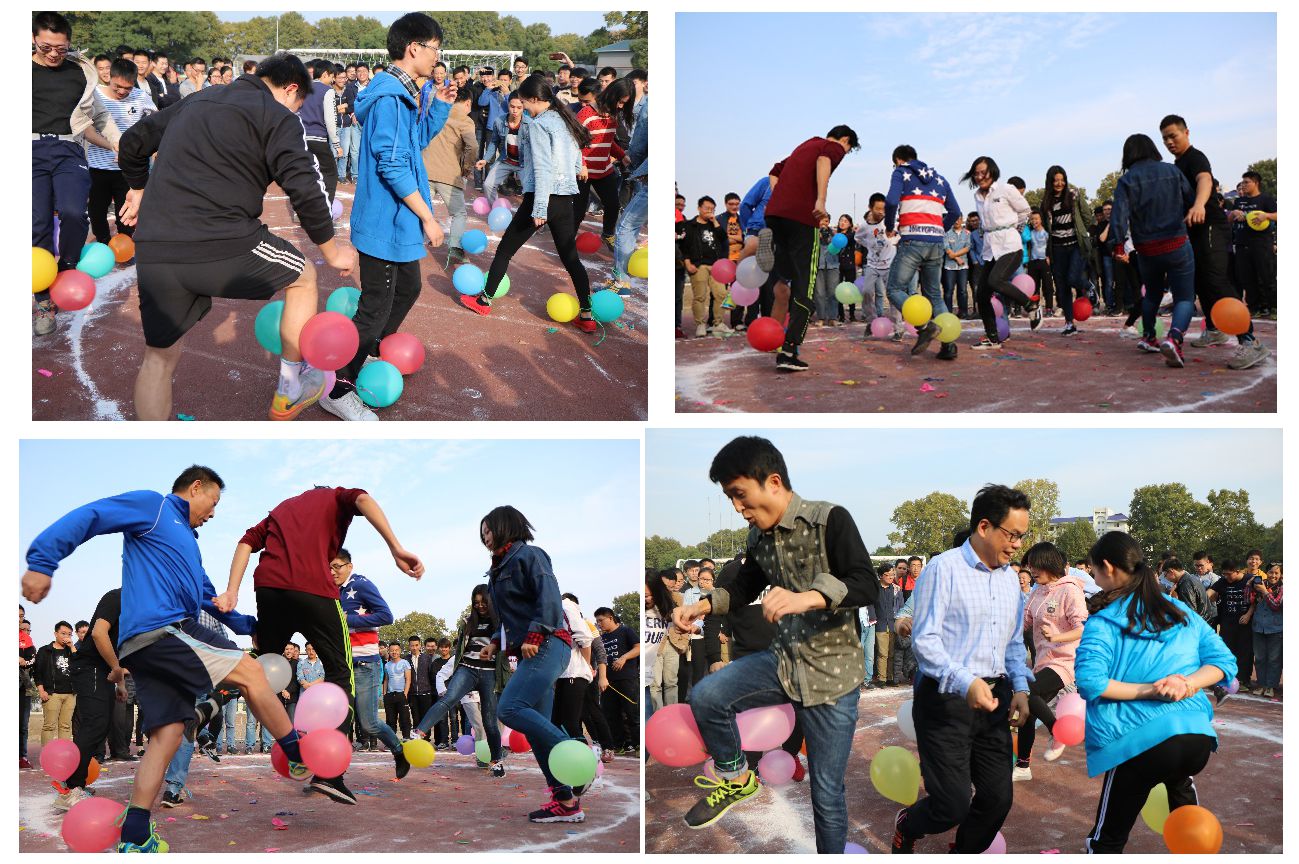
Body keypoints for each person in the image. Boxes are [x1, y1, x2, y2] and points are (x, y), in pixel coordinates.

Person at [22, 465, 302, 853]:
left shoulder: (188, 543)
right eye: (213, 502)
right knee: (251, 672)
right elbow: (94, 514)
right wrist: (43, 561)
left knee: (167, 734)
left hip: (144, 647)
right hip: (164, 629)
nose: (213, 513)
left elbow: (208, 597)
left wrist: (247, 624)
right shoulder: (154, 507)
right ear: (196, 487)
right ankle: (300, 755)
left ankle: (136, 833)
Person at [116, 52, 355, 421]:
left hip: (156, 245)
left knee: (159, 358)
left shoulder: (198, 99)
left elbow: (132, 142)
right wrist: (333, 251)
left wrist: (138, 188)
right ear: (290, 89)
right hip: (223, 242)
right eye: (297, 105)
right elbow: (305, 188)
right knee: (304, 276)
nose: (295, 112)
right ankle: (290, 389)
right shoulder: (277, 116)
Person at [673, 436, 876, 852]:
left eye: (740, 494)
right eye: (730, 498)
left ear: (773, 482)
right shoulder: (758, 538)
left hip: (833, 679)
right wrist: (702, 607)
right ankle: (736, 778)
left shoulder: (829, 520)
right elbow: (743, 587)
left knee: (826, 794)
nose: (737, 507)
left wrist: (809, 597)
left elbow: (865, 583)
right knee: (707, 695)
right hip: (782, 662)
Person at [215, 484, 424, 803]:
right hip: (313, 591)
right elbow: (363, 499)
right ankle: (330, 774)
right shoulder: (336, 496)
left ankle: (209, 706)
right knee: (341, 675)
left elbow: (245, 542)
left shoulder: (282, 508)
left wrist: (232, 591)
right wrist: (396, 548)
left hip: (269, 590)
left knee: (257, 672)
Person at [320, 14, 455, 422]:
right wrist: (428, 218)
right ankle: (339, 385)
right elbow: (392, 164)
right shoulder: (391, 97)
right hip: (385, 221)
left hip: (396, 221)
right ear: (414, 48)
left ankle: (367, 352)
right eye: (435, 49)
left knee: (408, 288)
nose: (437, 58)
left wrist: (440, 106)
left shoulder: (403, 94)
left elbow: (414, 143)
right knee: (375, 307)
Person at [893, 485, 1033, 854]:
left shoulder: (1009, 579)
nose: (1018, 545)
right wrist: (965, 681)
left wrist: (1021, 688)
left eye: (1022, 536)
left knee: (997, 799)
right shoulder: (944, 569)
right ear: (984, 527)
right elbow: (925, 641)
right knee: (951, 805)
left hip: (994, 699)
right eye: (1012, 534)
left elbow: (1013, 642)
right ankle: (908, 824)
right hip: (945, 700)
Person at [1075, 531, 1237, 853]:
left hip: (1139, 741)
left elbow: (1091, 682)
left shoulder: (1104, 621)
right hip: (1194, 739)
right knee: (1187, 812)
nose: (1093, 577)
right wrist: (1188, 684)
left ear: (1108, 567)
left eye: (1093, 570)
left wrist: (1154, 690)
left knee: (1107, 839)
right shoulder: (1180, 612)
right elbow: (1224, 662)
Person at [476, 506, 589, 823]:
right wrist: (495, 643)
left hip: (548, 644)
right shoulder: (496, 571)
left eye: (489, 530)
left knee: (509, 709)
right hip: (531, 649)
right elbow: (508, 617)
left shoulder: (530, 555)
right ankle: (565, 801)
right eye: (482, 534)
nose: (485, 537)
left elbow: (549, 598)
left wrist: (535, 635)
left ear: (506, 526)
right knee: (537, 732)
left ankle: (581, 757)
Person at [460, 75, 597, 332]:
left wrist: (540, 207)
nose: (522, 107)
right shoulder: (565, 120)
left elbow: (544, 168)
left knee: (505, 250)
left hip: (543, 196)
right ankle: (587, 315)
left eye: (523, 102)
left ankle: (484, 300)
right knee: (571, 259)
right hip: (565, 198)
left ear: (534, 99)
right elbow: (576, 156)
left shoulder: (538, 124)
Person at [32, 12, 121, 337]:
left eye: (61, 47)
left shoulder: (80, 73)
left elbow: (99, 115)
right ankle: (44, 300)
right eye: (46, 47)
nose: (54, 53)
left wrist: (117, 142)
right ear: (33, 39)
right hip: (29, 150)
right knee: (38, 223)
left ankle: (66, 268)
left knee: (73, 212)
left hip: (69, 149)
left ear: (69, 43)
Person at [1158, 117, 1269, 369]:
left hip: (1211, 227)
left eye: (1173, 135)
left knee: (1216, 280)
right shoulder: (1177, 165)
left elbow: (1205, 180)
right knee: (1199, 282)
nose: (1169, 142)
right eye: (1165, 138)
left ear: (1186, 132)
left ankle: (1251, 342)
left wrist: (1199, 205)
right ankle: (1215, 329)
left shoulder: (1195, 157)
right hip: (1193, 231)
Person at [763, 126, 860, 371]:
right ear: (845, 140)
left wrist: (781, 198)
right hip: (802, 220)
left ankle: (778, 266)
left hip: (775, 214)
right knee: (805, 287)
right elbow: (824, 160)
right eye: (848, 148)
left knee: (787, 276)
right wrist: (820, 200)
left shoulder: (805, 145)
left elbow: (774, 172)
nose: (844, 152)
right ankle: (789, 351)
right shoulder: (833, 147)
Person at [1107, 133, 1197, 368]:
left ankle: (1149, 336)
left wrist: (1117, 245)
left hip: (1146, 248)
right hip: (1176, 242)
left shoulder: (1126, 180)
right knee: (1184, 297)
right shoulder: (1171, 170)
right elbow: (1191, 200)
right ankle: (1175, 338)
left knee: (1152, 294)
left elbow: (1119, 216)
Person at [411, 585, 508, 775]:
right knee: (449, 698)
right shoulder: (467, 622)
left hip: (489, 673)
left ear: (491, 601)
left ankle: (496, 761)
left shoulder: (501, 622)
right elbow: (462, 648)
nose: (480, 606)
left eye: (484, 602)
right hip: (468, 669)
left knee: (490, 722)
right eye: (476, 603)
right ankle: (419, 732)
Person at [1013, 543, 1088, 781]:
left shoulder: (1070, 590)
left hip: (1065, 661)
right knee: (1027, 710)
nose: (1031, 571)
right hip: (1043, 661)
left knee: (1027, 691)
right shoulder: (1038, 591)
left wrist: (1056, 637)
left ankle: (1057, 730)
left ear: (1049, 563)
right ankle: (1023, 767)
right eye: (1029, 566)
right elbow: (1023, 622)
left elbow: (1081, 628)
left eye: (1035, 566)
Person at [885, 145, 964, 362]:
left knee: (894, 289)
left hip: (912, 239)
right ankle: (949, 345)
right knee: (935, 295)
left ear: (899, 160)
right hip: (936, 242)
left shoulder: (901, 172)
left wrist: (890, 226)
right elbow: (955, 212)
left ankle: (925, 325)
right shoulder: (940, 179)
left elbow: (891, 201)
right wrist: (939, 230)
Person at [58, 588, 130, 811]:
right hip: (91, 667)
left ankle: (74, 784)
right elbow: (99, 634)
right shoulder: (118, 597)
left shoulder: (139, 607)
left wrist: (120, 683)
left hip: (104, 670)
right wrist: (117, 669)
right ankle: (71, 789)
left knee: (102, 725)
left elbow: (120, 647)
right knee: (95, 723)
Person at [963, 156, 1040, 350]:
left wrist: (1015, 229)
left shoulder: (1006, 189)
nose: (980, 176)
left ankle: (1031, 305)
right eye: (976, 173)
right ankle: (992, 338)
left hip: (1010, 246)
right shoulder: (977, 196)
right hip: (990, 249)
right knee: (982, 294)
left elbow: (1025, 210)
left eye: (983, 172)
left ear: (993, 172)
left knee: (995, 280)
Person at [86, 58, 152, 247]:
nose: (122, 91)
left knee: (127, 213)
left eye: (128, 88)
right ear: (109, 77)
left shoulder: (141, 97)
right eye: (117, 87)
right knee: (97, 212)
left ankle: (126, 247)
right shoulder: (94, 95)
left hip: (129, 171)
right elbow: (88, 132)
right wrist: (114, 146)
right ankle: (102, 245)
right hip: (98, 167)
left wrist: (141, 151)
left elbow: (154, 126)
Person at [422, 85, 478, 268]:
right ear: (468, 103)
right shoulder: (465, 120)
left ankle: (412, 242)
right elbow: (473, 147)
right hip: (449, 174)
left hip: (426, 169)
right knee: (459, 213)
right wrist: (466, 168)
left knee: (422, 210)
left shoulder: (438, 111)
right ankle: (455, 247)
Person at [575, 78, 631, 249]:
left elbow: (606, 140)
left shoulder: (613, 115)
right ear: (611, 95)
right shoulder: (585, 114)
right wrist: (582, 164)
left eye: (624, 103)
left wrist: (622, 155)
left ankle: (608, 235)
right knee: (578, 211)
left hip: (604, 170)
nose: (620, 106)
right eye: (620, 102)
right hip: (583, 172)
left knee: (613, 205)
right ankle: (567, 240)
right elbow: (572, 142)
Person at [1039, 165, 1094, 335]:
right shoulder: (1046, 202)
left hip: (1076, 245)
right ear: (1050, 182)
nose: (1059, 183)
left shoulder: (1073, 194)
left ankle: (1088, 286)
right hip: (1057, 249)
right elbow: (1046, 228)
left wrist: (1084, 235)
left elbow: (1087, 217)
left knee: (1072, 278)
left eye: (1062, 180)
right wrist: (1047, 252)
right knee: (1062, 287)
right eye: (1056, 180)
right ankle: (1069, 323)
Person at [1227, 171, 1277, 319]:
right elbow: (1229, 221)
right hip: (1242, 245)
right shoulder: (1239, 201)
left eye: (1246, 182)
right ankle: (1254, 308)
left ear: (1256, 183)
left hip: (1261, 244)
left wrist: (1266, 215)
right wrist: (1233, 214)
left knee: (1267, 277)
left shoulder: (1266, 199)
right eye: (1242, 182)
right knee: (1247, 278)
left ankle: (1274, 307)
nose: (1243, 185)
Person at [682, 196, 731, 336]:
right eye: (707, 208)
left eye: (712, 209)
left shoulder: (714, 225)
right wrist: (687, 263)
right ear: (699, 208)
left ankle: (718, 323)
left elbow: (723, 238)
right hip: (698, 265)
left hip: (716, 265)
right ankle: (700, 325)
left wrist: (714, 221)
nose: (709, 211)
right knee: (700, 297)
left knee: (721, 294)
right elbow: (684, 247)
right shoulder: (690, 225)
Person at [554, 593, 595, 751]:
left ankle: (587, 760)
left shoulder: (565, 606)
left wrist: (586, 664)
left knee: (570, 723)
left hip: (574, 673)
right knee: (556, 722)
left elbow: (585, 638)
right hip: (561, 675)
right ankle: (566, 758)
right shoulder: (544, 608)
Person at [596, 607, 639, 753]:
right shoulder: (601, 638)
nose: (599, 624)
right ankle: (619, 745)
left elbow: (638, 648)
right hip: (608, 682)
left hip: (626, 679)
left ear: (610, 618)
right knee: (611, 714)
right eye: (597, 621)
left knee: (632, 713)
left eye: (601, 620)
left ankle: (638, 745)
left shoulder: (626, 631)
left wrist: (623, 657)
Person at [477, 91, 530, 204]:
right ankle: (495, 208)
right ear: (508, 104)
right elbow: (494, 142)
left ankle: (528, 213)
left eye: (519, 107)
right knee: (488, 185)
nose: (515, 110)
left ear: (523, 107)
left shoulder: (530, 124)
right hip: (505, 161)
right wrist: (485, 159)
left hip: (524, 164)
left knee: (531, 191)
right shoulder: (499, 121)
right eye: (512, 106)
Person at [854, 193, 895, 327]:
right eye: (878, 209)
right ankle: (872, 321)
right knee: (866, 292)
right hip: (872, 264)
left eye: (884, 209)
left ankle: (898, 326)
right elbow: (857, 238)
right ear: (870, 208)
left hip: (889, 264)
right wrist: (868, 244)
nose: (881, 212)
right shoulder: (864, 227)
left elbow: (898, 234)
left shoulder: (889, 221)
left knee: (892, 295)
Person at [34, 621, 77, 744]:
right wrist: (41, 691)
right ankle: (47, 754)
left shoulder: (72, 651)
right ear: (55, 634)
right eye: (63, 633)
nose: (66, 636)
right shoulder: (45, 651)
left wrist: (72, 647)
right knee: (49, 726)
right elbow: (37, 672)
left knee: (66, 726)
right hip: (52, 693)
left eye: (69, 634)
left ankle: (63, 754)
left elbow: (80, 666)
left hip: (70, 694)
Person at [1251, 563, 1282, 698]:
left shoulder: (1282, 588)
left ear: (1281, 575)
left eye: (1276, 573)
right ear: (1266, 572)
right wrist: (1249, 586)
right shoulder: (1260, 584)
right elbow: (1248, 601)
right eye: (1270, 572)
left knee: (1274, 659)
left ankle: (1270, 686)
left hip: (1276, 629)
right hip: (1258, 627)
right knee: (1259, 658)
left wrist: (1264, 591)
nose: (1273, 575)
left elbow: (1276, 605)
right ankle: (1261, 684)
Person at [942, 216, 971, 318]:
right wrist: (957, 258)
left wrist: (954, 255)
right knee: (948, 290)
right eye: (955, 219)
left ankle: (963, 312)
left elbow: (967, 247)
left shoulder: (967, 233)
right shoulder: (947, 233)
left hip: (963, 266)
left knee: (963, 290)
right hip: (949, 266)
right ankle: (948, 313)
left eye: (959, 219)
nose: (957, 221)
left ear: (962, 220)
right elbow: (946, 248)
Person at [382, 642, 412, 738]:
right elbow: (386, 679)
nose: (394, 652)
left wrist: (405, 694)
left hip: (401, 694)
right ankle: (391, 740)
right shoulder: (387, 665)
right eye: (392, 650)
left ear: (400, 651)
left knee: (404, 719)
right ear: (389, 651)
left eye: (396, 650)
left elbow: (408, 679)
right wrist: (384, 693)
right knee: (390, 720)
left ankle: (406, 738)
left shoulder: (405, 663)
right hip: (389, 695)